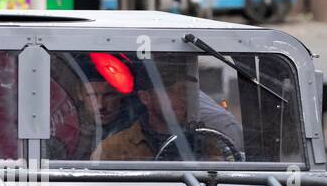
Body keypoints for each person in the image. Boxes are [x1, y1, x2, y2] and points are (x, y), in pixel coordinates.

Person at [94, 60, 244, 161]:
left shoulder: (208, 143)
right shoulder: (113, 148)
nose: (181, 97)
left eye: (184, 90)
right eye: (170, 91)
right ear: (145, 97)